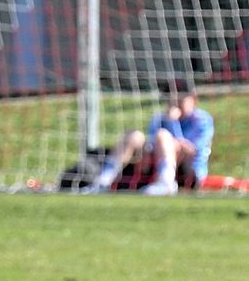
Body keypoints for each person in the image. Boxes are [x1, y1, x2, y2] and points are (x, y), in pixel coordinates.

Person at [85, 80, 214, 196]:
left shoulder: (201, 120)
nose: (175, 102)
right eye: (170, 98)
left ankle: (166, 182)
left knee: (162, 135)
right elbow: (152, 143)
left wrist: (172, 123)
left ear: (193, 99)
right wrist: (148, 151)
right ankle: (103, 181)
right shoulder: (159, 118)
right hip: (155, 165)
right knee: (134, 136)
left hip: (189, 170)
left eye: (180, 98)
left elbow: (192, 150)